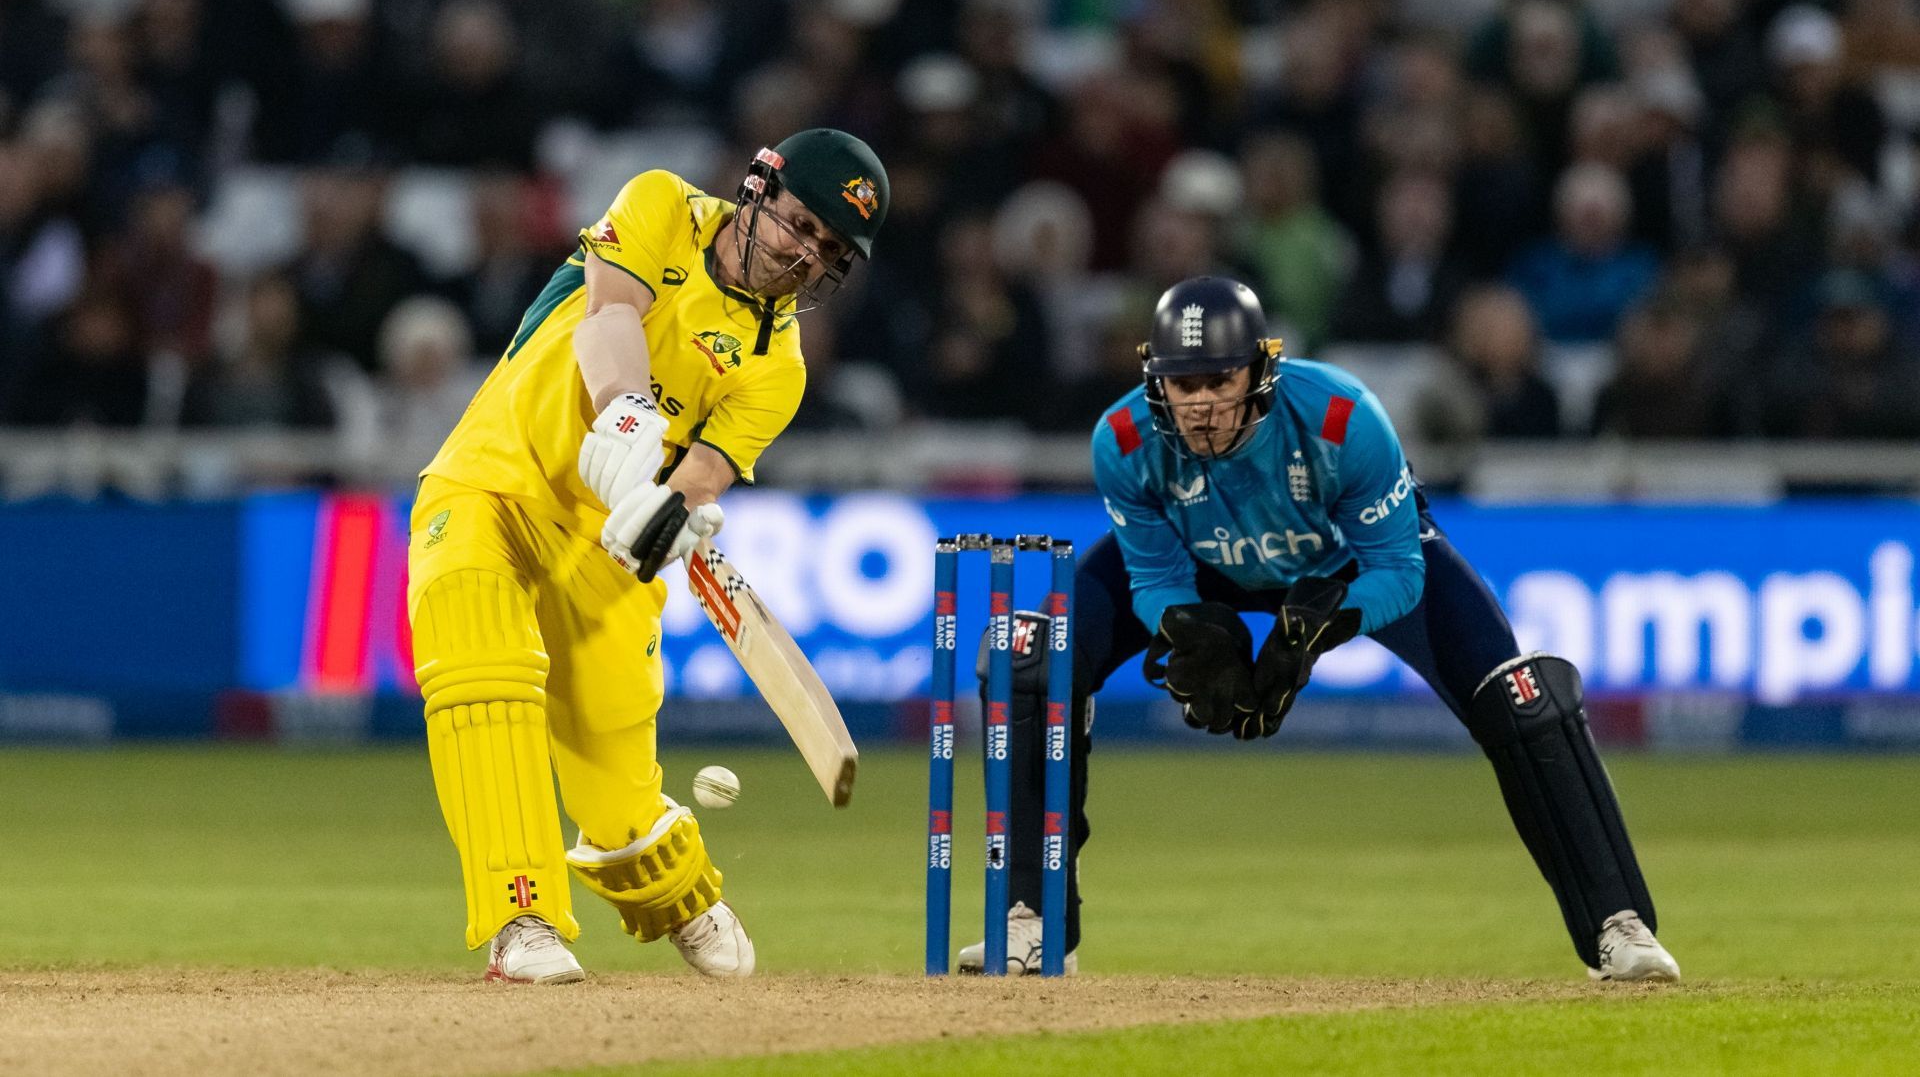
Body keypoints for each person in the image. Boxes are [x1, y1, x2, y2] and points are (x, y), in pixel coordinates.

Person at [964, 276, 1679, 984]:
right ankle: (1031, 919)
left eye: (1221, 377)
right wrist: (1191, 630)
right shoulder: (1122, 439)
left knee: (1523, 698)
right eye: (1185, 385)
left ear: (1261, 370)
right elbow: (1153, 578)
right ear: (1159, 383)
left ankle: (1619, 925)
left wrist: (1318, 626)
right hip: (1200, 556)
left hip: (1345, 566)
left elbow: (1400, 568)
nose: (1204, 404)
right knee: (1030, 660)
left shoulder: (1342, 418)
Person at [408, 129, 888, 983]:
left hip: (602, 545)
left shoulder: (778, 369)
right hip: (490, 483)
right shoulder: (663, 205)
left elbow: (702, 473)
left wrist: (673, 512)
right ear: (758, 189)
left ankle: (679, 892)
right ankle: (522, 919)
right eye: (800, 225)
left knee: (615, 786)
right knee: (481, 672)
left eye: (827, 250)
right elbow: (608, 316)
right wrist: (626, 410)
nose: (803, 256)